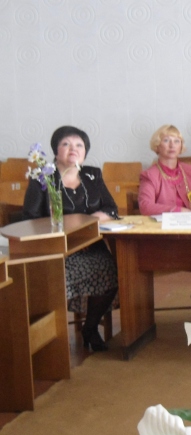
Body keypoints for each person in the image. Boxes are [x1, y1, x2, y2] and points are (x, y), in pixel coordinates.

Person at [23, 126, 119, 352]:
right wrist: (68, 230)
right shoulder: (42, 177)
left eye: (79, 145)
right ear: (56, 151)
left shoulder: (92, 175)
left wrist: (92, 220)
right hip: (57, 250)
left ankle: (90, 328)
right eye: (66, 144)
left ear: (85, 152)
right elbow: (30, 218)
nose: (73, 149)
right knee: (56, 282)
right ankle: (51, 340)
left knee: (112, 273)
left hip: (90, 245)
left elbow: (111, 208)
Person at [138, 125, 191, 325]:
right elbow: (145, 206)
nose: (172, 145)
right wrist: (178, 210)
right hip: (163, 238)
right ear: (157, 146)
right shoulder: (150, 175)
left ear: (181, 146)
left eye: (176, 141)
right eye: (166, 140)